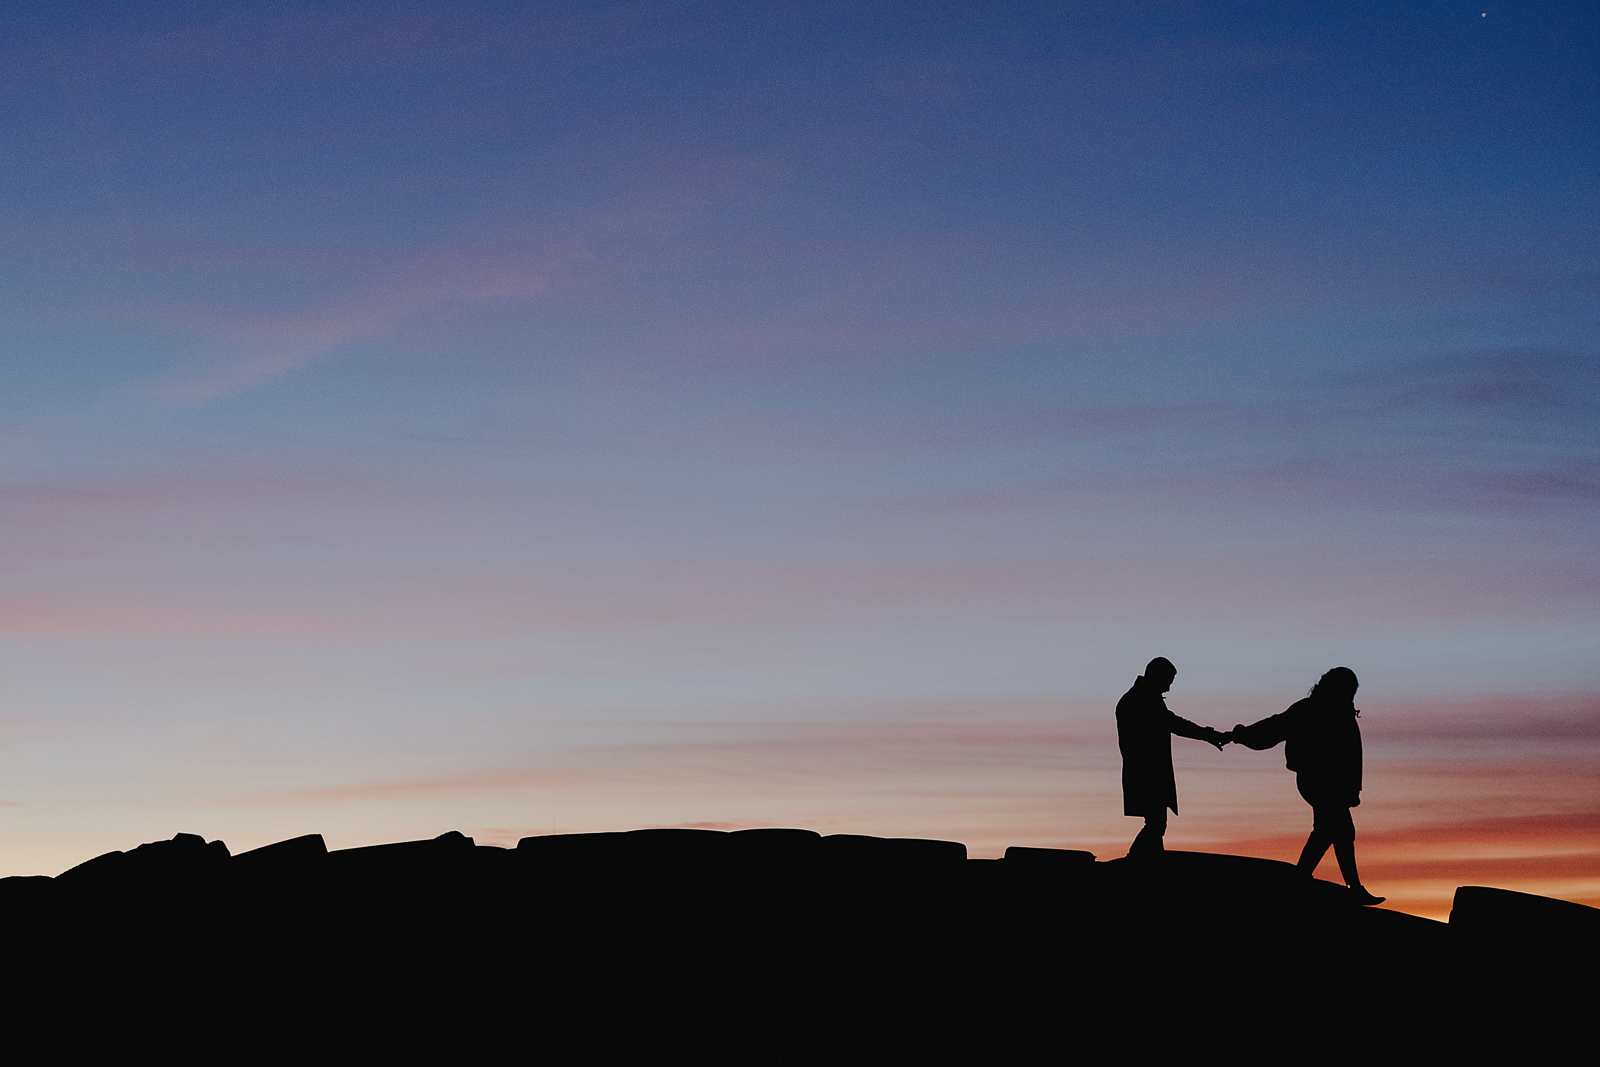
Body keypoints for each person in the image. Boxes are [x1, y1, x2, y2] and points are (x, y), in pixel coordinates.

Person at [1231, 667, 1384, 905]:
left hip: (1334, 784)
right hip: (1317, 781)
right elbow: (1275, 727)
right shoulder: (1309, 709)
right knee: (1341, 830)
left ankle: (1301, 877)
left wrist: (1352, 789)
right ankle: (1351, 886)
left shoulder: (1341, 711)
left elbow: (1350, 755)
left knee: (1327, 831)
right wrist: (1241, 734)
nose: (1351, 695)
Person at [1116, 657, 1228, 857]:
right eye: (1167, 682)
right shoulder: (1142, 700)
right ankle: (1134, 863)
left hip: (1145, 772)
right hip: (1147, 773)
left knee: (1156, 824)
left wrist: (1205, 734)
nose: (1168, 689)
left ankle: (1145, 862)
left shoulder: (1140, 698)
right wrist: (1206, 734)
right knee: (1156, 823)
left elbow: (1171, 723)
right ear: (1156, 676)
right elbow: (1173, 724)